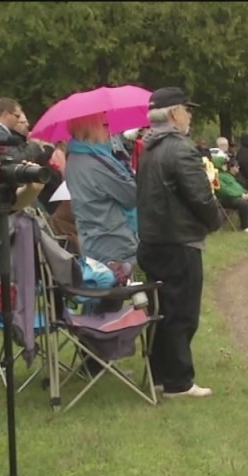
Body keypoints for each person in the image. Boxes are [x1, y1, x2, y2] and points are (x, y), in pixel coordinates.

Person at [136, 87, 221, 399]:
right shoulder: (180, 149)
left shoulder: (148, 148)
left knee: (161, 310)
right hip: (179, 240)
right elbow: (200, 197)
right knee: (181, 313)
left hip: (153, 240)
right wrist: (214, 222)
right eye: (187, 108)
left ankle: (159, 374)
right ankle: (178, 381)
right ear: (174, 113)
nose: (190, 115)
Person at [63, 111, 139, 265]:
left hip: (92, 241)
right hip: (115, 244)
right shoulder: (97, 161)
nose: (109, 130)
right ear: (90, 127)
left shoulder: (74, 157)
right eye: (104, 125)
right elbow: (132, 195)